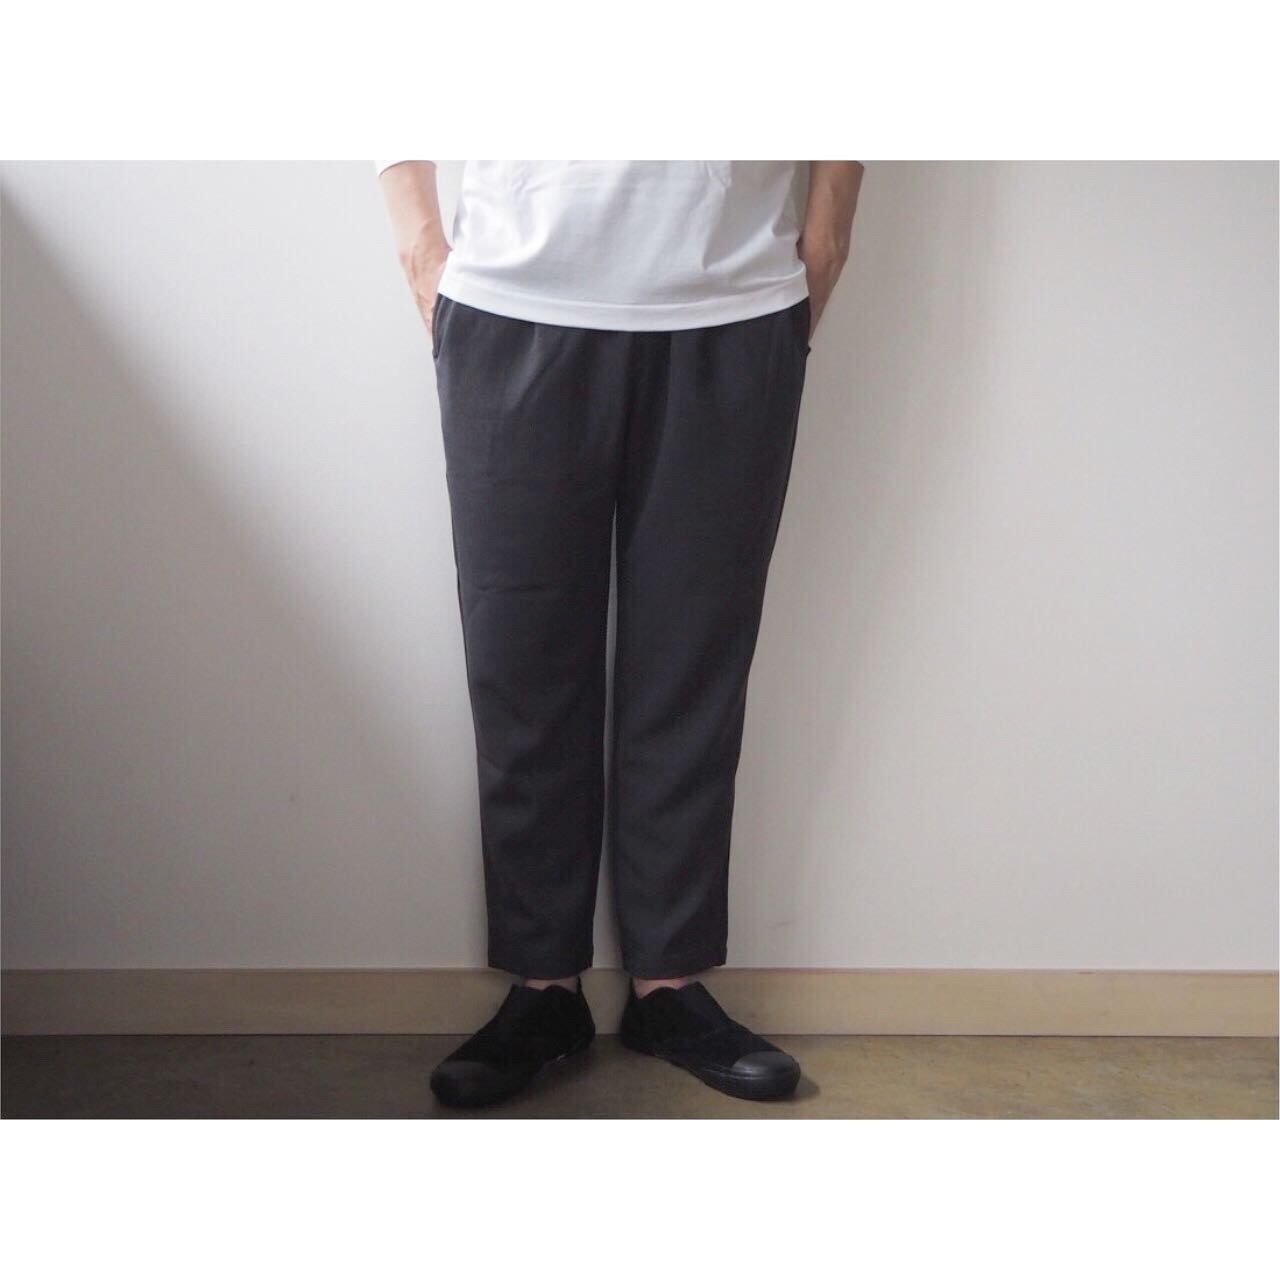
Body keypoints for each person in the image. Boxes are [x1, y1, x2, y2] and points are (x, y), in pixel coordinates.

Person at [378, 160, 862, 1107]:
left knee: (694, 662)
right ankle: (543, 988)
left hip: (732, 301)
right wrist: (420, 246)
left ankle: (669, 985)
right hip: (513, 300)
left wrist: (826, 238)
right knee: (520, 663)